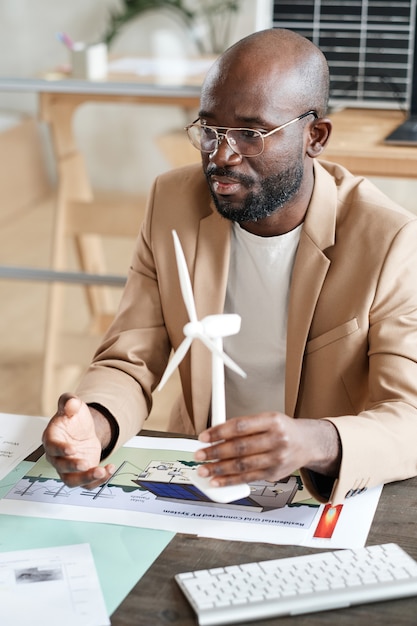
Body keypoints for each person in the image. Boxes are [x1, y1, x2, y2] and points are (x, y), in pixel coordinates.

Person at [42, 28, 417, 505]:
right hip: (199, 472)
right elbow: (130, 358)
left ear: (314, 136)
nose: (221, 155)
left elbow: (409, 416)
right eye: (210, 129)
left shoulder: (388, 240)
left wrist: (314, 441)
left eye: (251, 134)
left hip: (320, 491)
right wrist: (93, 423)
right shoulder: (171, 202)